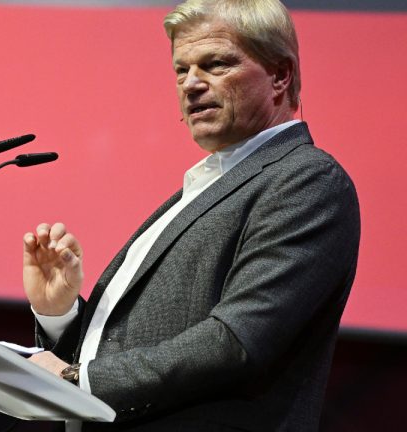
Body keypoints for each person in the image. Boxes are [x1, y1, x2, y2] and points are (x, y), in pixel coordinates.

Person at [23, 0, 360, 431]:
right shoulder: (205, 186)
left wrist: (78, 379)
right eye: (181, 70)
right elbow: (128, 348)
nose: (191, 84)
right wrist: (62, 316)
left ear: (280, 75)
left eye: (215, 64)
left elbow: (235, 341)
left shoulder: (306, 179)